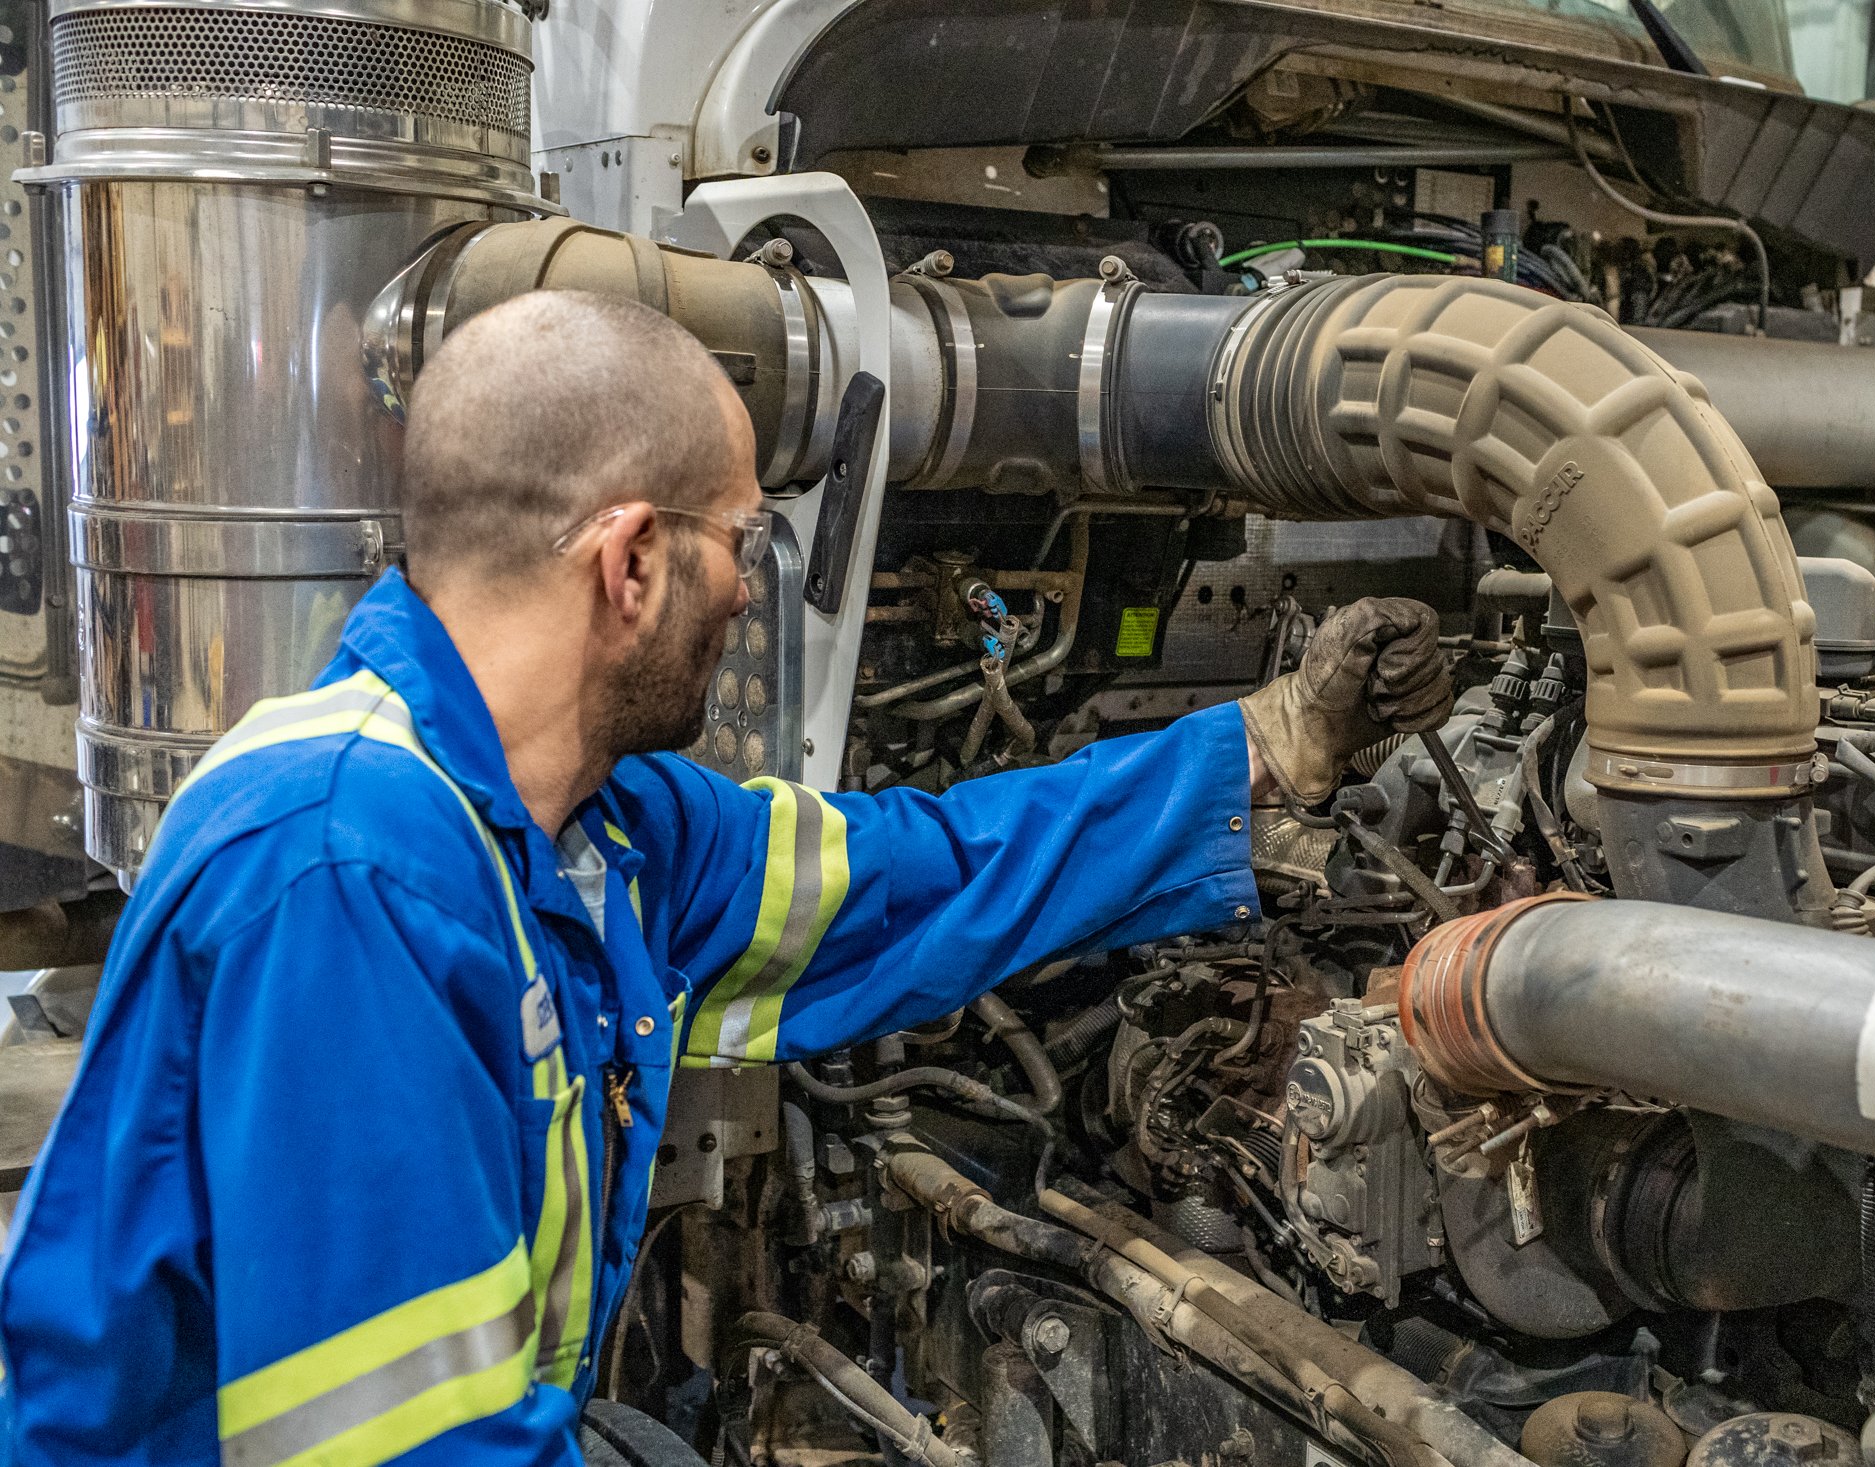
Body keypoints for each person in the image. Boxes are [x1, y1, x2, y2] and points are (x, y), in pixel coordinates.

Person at [0, 291, 1450, 1466]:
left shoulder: (595, 824)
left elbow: (918, 878)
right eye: (742, 541)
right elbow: (403, 1448)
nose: (753, 587)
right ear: (630, 561)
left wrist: (1263, 745)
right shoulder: (348, 881)